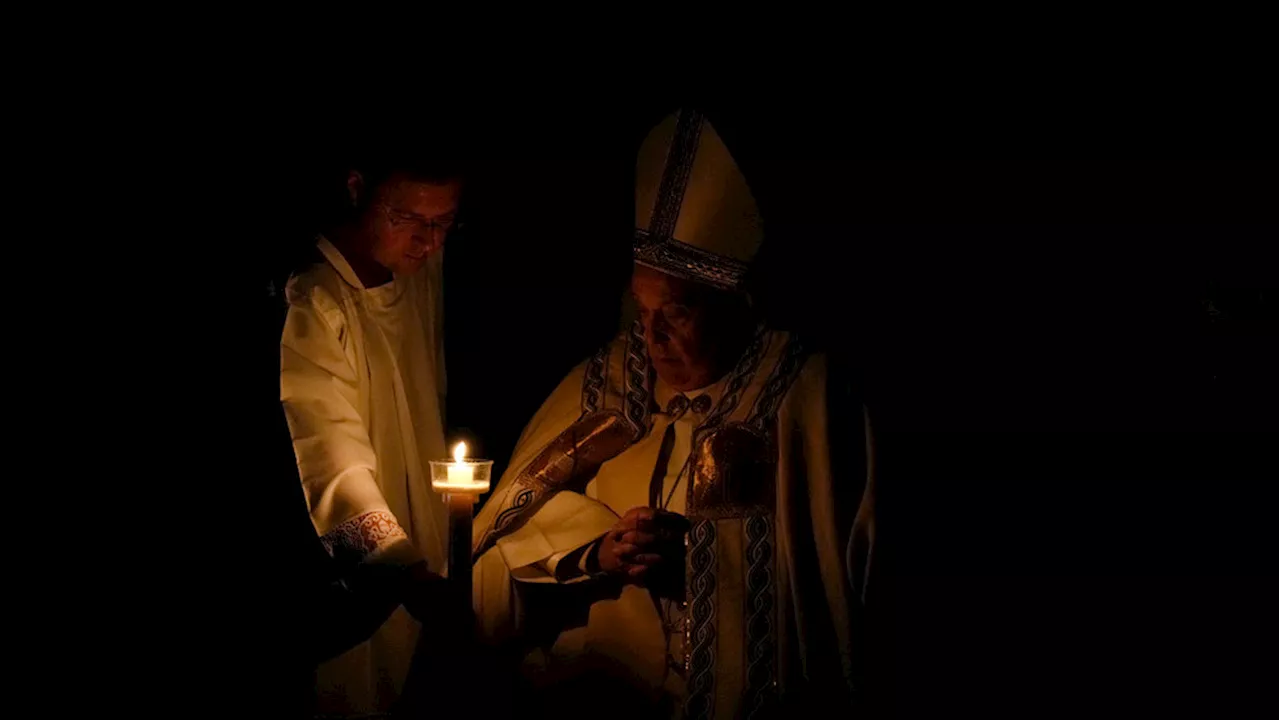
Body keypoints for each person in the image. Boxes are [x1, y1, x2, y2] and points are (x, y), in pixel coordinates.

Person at [472, 109, 877, 718]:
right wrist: (596, 550)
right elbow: (497, 542)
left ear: (734, 304)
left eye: (678, 312)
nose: (653, 337)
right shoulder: (609, 380)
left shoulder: (807, 396)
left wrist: (706, 563)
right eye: (642, 311)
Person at [279, 142, 463, 717]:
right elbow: (327, 455)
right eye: (407, 219)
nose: (429, 243)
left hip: (424, 566)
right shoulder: (313, 301)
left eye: (444, 223)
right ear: (358, 189)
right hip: (363, 588)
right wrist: (395, 568)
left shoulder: (419, 274)